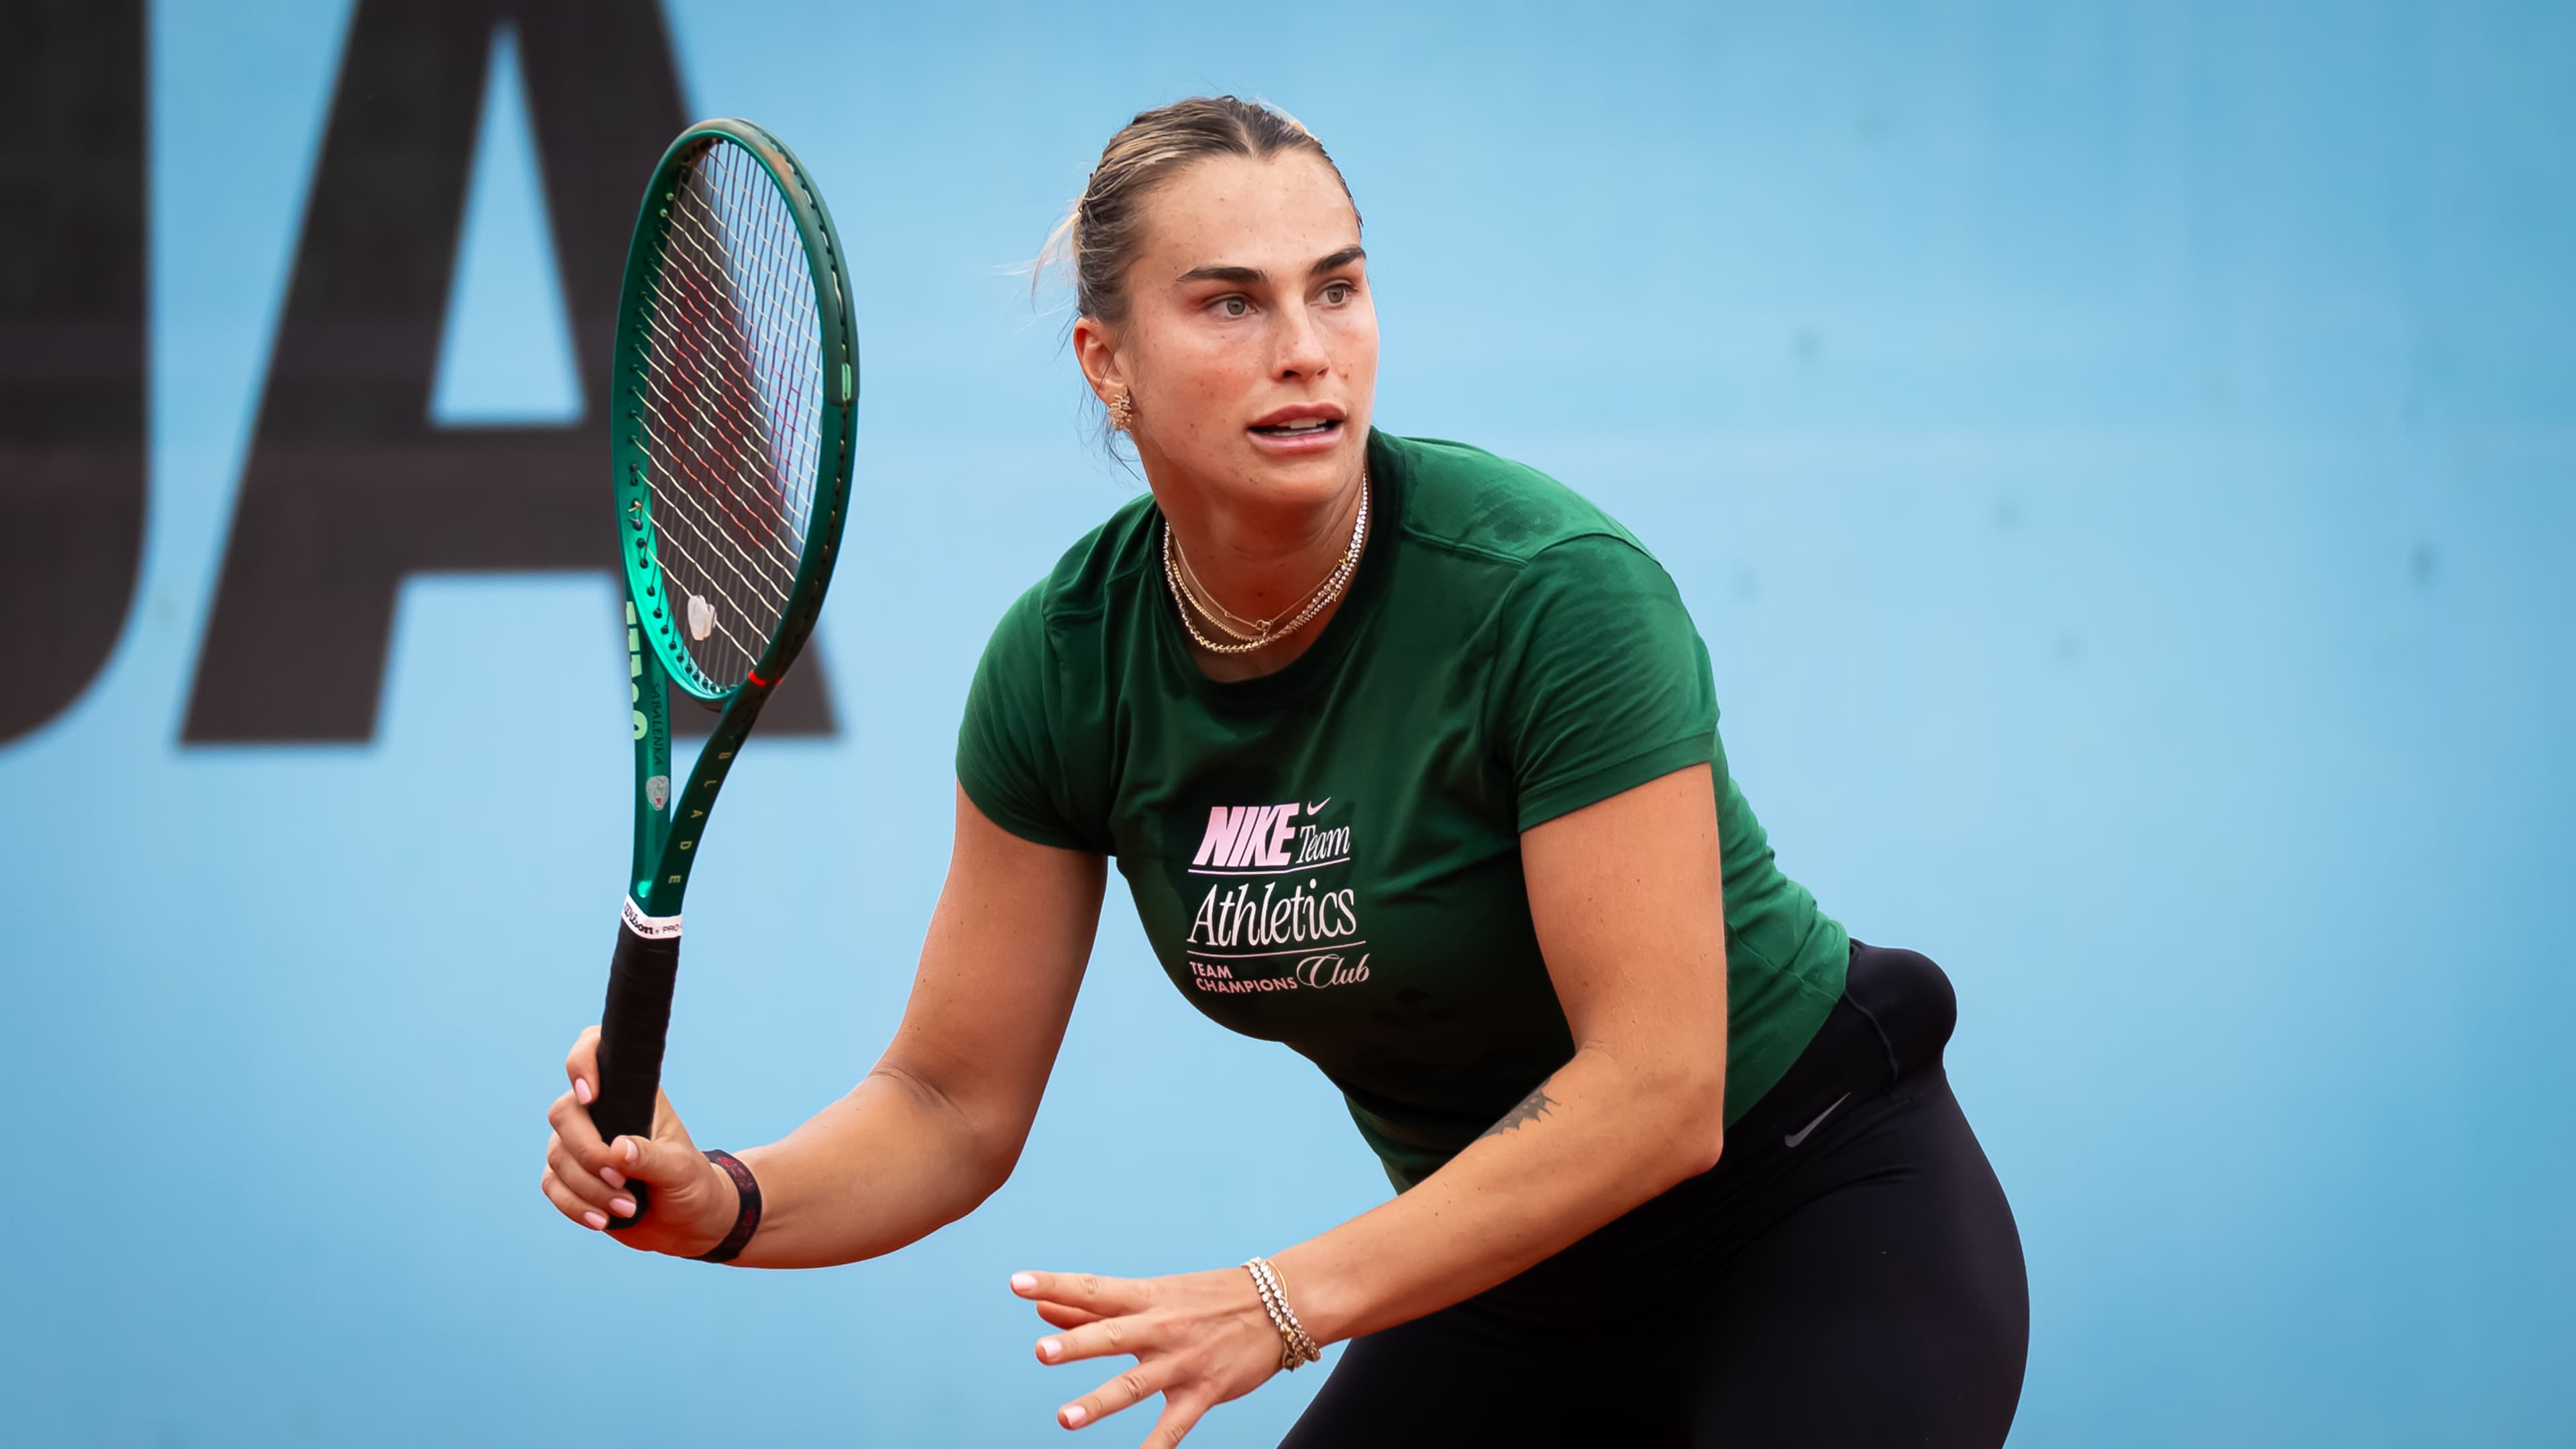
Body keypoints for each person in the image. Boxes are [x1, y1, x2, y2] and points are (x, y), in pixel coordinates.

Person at [541, 95, 2029, 1447]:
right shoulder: (1065, 669)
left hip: (1812, 1204)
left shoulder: (1551, 595)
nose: (1307, 348)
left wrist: (1277, 1302)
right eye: (1230, 303)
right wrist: (729, 1201)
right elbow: (949, 1101)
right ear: (1107, 364)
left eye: (1338, 287)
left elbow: (1658, 1091)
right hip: (1506, 1270)